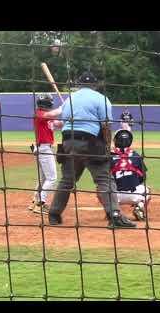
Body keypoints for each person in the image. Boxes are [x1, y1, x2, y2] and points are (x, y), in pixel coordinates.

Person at [48, 71, 136, 228]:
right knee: (104, 179)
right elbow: (106, 125)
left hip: (67, 141)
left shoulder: (70, 99)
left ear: (79, 84)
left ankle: (54, 214)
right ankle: (114, 216)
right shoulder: (101, 99)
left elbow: (63, 122)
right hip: (90, 141)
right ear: (95, 85)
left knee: (67, 180)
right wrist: (107, 146)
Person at [28, 93, 63, 214]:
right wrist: (63, 108)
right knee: (52, 178)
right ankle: (40, 204)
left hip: (43, 148)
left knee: (43, 178)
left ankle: (35, 201)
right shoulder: (40, 114)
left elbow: (58, 124)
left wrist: (70, 117)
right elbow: (52, 113)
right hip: (44, 149)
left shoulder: (47, 116)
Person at [110, 129, 150, 221]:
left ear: (115, 141)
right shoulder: (135, 155)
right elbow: (143, 177)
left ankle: (113, 211)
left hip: (114, 196)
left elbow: (104, 178)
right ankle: (139, 207)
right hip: (135, 194)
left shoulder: (109, 155)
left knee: (100, 188)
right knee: (148, 189)